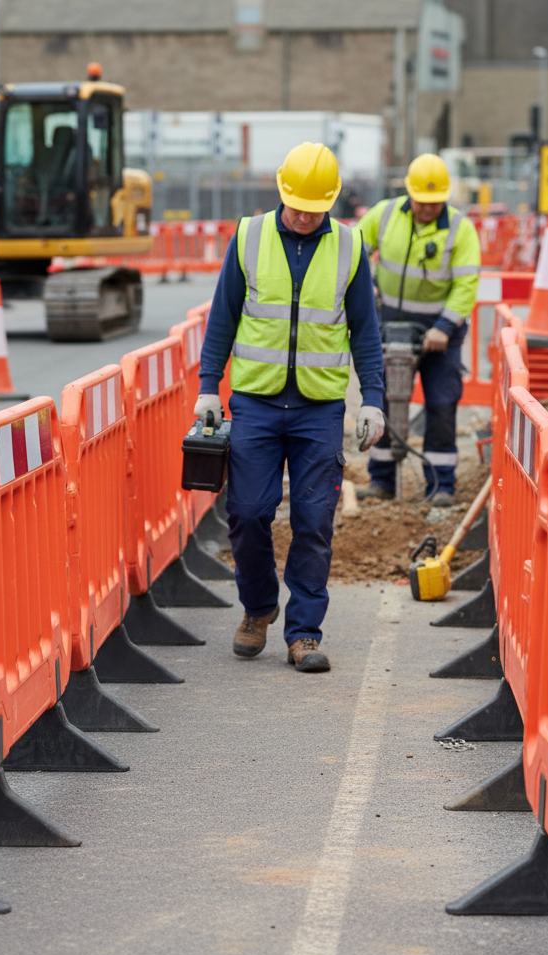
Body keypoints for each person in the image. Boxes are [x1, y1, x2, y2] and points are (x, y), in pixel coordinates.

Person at [195, 143, 385, 673]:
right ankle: (258, 609)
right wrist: (210, 386)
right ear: (281, 192)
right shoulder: (249, 237)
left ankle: (303, 633)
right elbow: (223, 319)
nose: (304, 216)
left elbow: (366, 333)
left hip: (318, 410)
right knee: (248, 512)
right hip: (254, 403)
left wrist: (372, 400)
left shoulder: (348, 247)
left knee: (313, 520)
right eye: (296, 205)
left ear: (331, 202)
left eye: (314, 208)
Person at [357, 153, 480, 506]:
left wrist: (443, 327)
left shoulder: (460, 229)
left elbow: (466, 284)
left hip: (438, 334)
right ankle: (381, 481)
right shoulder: (384, 215)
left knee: (441, 405)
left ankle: (442, 486)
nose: (427, 208)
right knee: (380, 401)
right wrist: (366, 289)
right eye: (421, 200)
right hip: (390, 326)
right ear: (409, 192)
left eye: (434, 202)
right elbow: (352, 254)